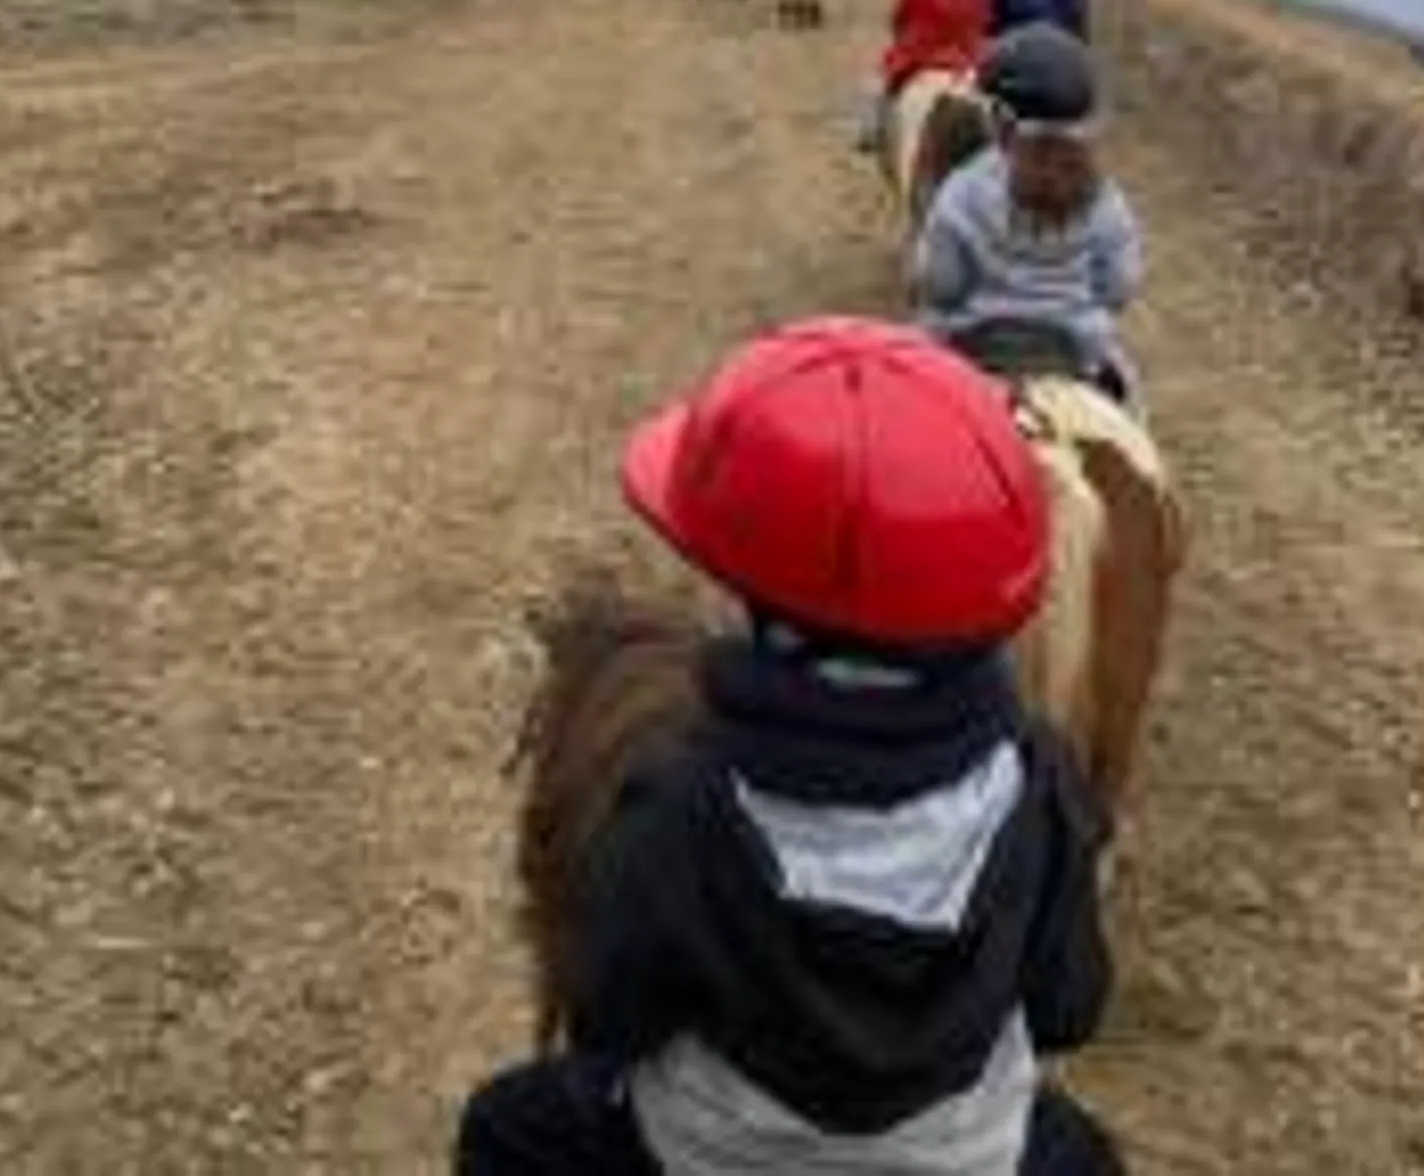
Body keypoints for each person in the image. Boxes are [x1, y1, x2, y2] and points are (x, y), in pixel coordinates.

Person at [456, 317, 1123, 1175]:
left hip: (707, 1153)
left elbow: (606, 1017)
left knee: (505, 1126)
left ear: (758, 605)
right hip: (968, 1159)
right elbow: (1069, 1007)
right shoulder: (1040, 780)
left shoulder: (681, 799)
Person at [914, 23, 1144, 405]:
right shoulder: (1106, 199)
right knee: (1130, 404)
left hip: (970, 354)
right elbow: (1119, 287)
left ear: (999, 120)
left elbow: (942, 286)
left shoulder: (961, 190)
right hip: (1076, 358)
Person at [857, 0, 992, 153]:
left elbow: (899, 19)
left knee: (873, 87)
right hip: (966, 61)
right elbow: (985, 21)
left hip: (918, 57)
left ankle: (869, 133)